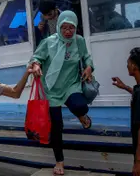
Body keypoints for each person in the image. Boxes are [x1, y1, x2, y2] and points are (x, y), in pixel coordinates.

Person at [29, 10, 94, 175]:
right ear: (58, 27)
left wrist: (88, 67)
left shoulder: (79, 41)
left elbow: (87, 57)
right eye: (64, 28)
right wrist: (36, 65)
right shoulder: (48, 42)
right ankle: (59, 162)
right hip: (51, 89)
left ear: (75, 27)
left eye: (71, 28)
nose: (67, 31)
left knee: (80, 106)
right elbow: (36, 58)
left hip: (71, 84)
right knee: (56, 127)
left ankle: (82, 116)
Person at [112, 47, 140, 176]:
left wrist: (139, 161)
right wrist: (125, 87)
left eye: (128, 63)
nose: (127, 66)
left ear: (134, 67)